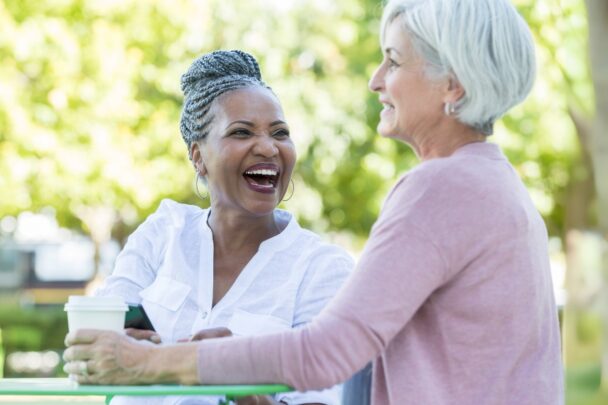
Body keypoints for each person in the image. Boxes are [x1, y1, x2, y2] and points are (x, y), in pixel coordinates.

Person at [64, 1, 565, 403]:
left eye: (393, 60)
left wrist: (149, 363)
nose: (375, 80)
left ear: (450, 84)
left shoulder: (442, 189)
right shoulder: (496, 183)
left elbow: (325, 354)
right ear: (197, 156)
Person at [91, 50, 353, 405]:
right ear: (198, 157)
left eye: (280, 133)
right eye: (241, 132)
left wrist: (238, 379)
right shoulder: (163, 232)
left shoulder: (323, 269)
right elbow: (98, 346)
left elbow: (323, 397)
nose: (267, 147)